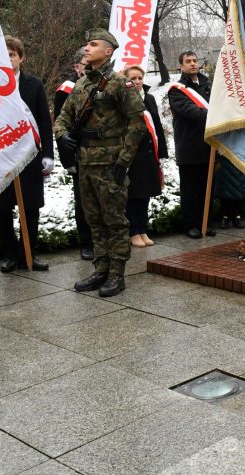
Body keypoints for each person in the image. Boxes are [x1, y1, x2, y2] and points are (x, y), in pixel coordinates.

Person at [55, 30, 145, 297]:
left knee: (114, 220)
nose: (87, 48)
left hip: (110, 164)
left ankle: (117, 273)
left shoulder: (119, 84)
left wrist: (124, 160)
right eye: (86, 44)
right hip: (86, 163)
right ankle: (101, 268)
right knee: (93, 219)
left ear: (108, 51)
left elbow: (137, 124)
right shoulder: (81, 85)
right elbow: (62, 118)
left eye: (93, 45)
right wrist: (63, 135)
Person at [0, 37, 54, 273]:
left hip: (29, 155)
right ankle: (9, 255)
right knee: (3, 208)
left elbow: (44, 120)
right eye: (4, 55)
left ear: (21, 58)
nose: (8, 59)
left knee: (31, 207)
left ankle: (29, 253)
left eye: (12, 54)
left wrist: (48, 154)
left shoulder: (33, 84)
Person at [167, 50, 215, 239]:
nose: (193, 64)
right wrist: (216, 115)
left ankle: (206, 222)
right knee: (190, 190)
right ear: (181, 65)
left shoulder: (208, 85)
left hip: (208, 144)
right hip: (189, 146)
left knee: (208, 188)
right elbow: (190, 111)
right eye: (188, 61)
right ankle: (191, 225)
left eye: (195, 60)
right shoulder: (176, 90)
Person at [54, 50, 94, 261]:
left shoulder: (102, 85)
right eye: (84, 65)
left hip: (101, 154)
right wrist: (67, 159)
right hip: (79, 154)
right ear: (76, 67)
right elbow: (61, 127)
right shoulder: (66, 90)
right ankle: (86, 243)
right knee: (83, 201)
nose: (88, 69)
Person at [122, 64, 167, 247]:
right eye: (133, 78)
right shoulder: (123, 100)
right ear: (126, 81)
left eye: (140, 78)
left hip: (149, 154)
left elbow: (157, 126)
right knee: (133, 195)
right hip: (132, 156)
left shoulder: (149, 98)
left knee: (145, 195)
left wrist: (162, 153)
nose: (138, 82)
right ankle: (133, 232)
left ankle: (143, 230)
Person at [214, 156, 245, 229]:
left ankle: (237, 215)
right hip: (224, 154)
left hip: (243, 155)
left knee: (240, 187)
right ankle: (225, 216)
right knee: (225, 187)